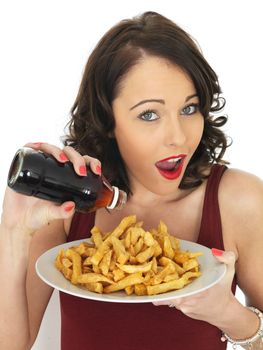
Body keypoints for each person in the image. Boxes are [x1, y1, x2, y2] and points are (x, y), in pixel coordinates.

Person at [0, 11, 262, 350]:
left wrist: (228, 314)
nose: (178, 137)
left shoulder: (240, 200)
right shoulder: (70, 204)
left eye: (189, 108)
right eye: (149, 114)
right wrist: (13, 229)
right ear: (108, 120)